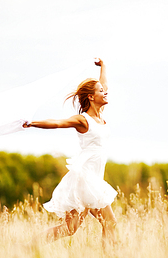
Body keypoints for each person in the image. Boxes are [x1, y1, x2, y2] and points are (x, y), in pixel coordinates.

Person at [23, 58, 117, 247]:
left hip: (92, 179)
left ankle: (28, 247)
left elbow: (104, 84)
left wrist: (104, 66)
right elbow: (58, 123)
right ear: (91, 97)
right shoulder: (83, 120)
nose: (105, 92)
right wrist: (32, 123)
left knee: (70, 228)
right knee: (110, 222)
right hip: (86, 178)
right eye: (100, 91)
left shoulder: (100, 114)